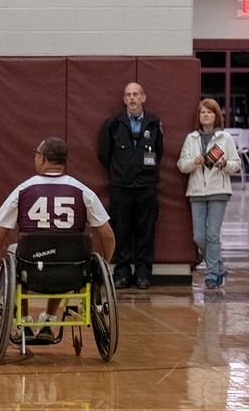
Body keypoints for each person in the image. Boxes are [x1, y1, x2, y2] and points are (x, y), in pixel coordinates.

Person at [0, 136, 115, 343]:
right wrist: (104, 267)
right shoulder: (83, 192)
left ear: (42, 159)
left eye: (37, 153)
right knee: (63, 253)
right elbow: (107, 235)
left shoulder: (23, 190)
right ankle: (49, 320)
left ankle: (25, 320)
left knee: (17, 250)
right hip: (71, 270)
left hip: (32, 268)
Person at [97, 83, 163, 290]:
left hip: (146, 186)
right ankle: (122, 272)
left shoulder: (153, 123)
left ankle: (143, 273)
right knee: (121, 231)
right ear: (124, 100)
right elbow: (104, 154)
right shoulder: (113, 124)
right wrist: (121, 171)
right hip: (121, 187)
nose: (132, 98)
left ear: (143, 97)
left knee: (145, 231)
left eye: (136, 94)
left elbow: (158, 152)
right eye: (128, 95)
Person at [177, 98, 241, 290]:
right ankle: (219, 266)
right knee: (199, 237)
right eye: (202, 112)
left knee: (213, 234)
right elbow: (182, 165)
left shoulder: (225, 138)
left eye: (209, 112)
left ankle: (211, 275)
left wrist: (224, 164)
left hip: (219, 191)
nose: (205, 115)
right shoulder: (191, 138)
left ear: (216, 116)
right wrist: (193, 163)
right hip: (196, 191)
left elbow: (236, 164)